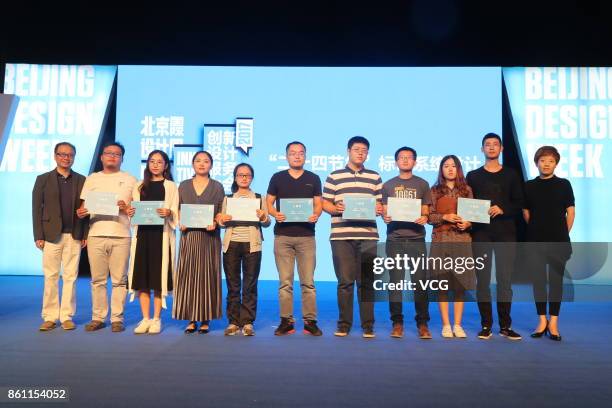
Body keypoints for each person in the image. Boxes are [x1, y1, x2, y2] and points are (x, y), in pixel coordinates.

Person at [323, 136, 383, 338]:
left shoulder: (375, 177)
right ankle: (344, 325)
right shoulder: (334, 176)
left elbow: (380, 206)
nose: (360, 153)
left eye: (364, 150)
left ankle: (368, 326)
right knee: (345, 282)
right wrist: (336, 208)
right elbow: (325, 204)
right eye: (356, 149)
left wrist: (378, 209)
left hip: (368, 235)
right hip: (342, 236)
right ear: (348, 151)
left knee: (366, 282)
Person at [466, 133, 524, 340]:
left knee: (505, 280)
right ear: (482, 149)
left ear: (501, 149)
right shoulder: (472, 176)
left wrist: (503, 208)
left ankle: (506, 326)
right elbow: (467, 204)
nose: (491, 148)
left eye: (495, 145)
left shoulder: (511, 175)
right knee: (482, 281)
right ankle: (486, 325)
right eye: (487, 145)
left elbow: (519, 204)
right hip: (481, 233)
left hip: (506, 233)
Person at [77, 142, 137, 332]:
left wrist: (125, 208)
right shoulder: (92, 179)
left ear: (122, 158)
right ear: (102, 157)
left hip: (121, 234)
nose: (112, 156)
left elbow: (136, 210)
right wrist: (81, 212)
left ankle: (117, 318)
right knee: (98, 280)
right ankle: (98, 317)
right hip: (96, 233)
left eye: (117, 154)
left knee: (120, 280)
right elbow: (84, 207)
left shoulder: (130, 179)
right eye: (108, 153)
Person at [266, 141, 323, 336]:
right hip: (283, 237)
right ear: (287, 156)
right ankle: (286, 321)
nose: (297, 156)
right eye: (293, 153)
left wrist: (316, 215)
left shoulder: (313, 178)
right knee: (285, 282)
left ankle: (310, 321)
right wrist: (275, 213)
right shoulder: (278, 177)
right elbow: (269, 203)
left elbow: (318, 205)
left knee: (308, 282)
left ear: (305, 156)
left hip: (307, 236)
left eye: (301, 153)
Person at [32, 142, 88, 331]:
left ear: (74, 157)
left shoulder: (82, 180)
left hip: (74, 234)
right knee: (51, 276)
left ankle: (66, 316)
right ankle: (50, 316)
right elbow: (36, 209)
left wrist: (85, 233)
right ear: (55, 156)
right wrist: (38, 234)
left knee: (71, 277)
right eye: (62, 154)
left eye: (70, 155)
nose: (66, 158)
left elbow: (86, 208)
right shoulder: (43, 179)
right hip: (50, 235)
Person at [523, 146, 575, 341]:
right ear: (537, 162)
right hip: (535, 241)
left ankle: (554, 322)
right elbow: (526, 213)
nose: (546, 164)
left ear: (556, 164)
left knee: (555, 282)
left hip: (558, 241)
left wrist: (561, 233)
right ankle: (542, 320)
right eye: (543, 160)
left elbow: (570, 212)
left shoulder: (564, 184)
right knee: (537, 281)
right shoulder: (528, 186)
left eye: (551, 161)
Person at [382, 147, 432, 339]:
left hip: (416, 239)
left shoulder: (422, 184)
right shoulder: (388, 185)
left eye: (408, 158)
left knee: (420, 282)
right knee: (395, 282)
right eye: (401, 158)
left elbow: (426, 210)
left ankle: (422, 323)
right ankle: (397, 322)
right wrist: (386, 218)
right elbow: (386, 212)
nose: (405, 160)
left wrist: (424, 217)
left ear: (415, 162)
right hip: (394, 239)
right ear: (395, 162)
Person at [126, 150, 178, 335]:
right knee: (142, 278)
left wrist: (169, 213)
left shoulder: (171, 186)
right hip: (143, 236)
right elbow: (134, 211)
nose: (155, 165)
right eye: (152, 161)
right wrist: (131, 213)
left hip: (161, 237)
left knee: (158, 278)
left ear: (166, 165)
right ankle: (145, 318)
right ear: (148, 164)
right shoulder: (139, 186)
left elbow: (175, 211)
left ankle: (156, 319)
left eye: (159, 162)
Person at [173, 151, 225, 334]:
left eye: (206, 161)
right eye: (198, 161)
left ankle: (205, 319)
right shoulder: (184, 185)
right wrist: (181, 221)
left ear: (211, 165)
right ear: (192, 164)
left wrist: (216, 222)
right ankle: (191, 318)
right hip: (189, 237)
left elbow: (220, 211)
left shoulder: (217, 186)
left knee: (208, 276)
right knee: (189, 275)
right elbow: (178, 208)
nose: (202, 164)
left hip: (209, 238)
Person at [217, 163, 271, 336]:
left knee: (250, 285)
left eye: (247, 175)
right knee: (233, 285)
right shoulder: (228, 198)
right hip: (231, 244)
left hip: (252, 245)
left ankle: (247, 322)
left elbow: (268, 222)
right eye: (240, 175)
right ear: (235, 178)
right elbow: (220, 221)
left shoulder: (258, 197)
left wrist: (263, 217)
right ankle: (233, 322)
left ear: (252, 177)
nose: (244, 178)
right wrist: (221, 218)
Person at [428, 155, 476, 338]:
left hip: (462, 240)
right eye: (446, 166)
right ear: (441, 169)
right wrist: (444, 217)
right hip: (441, 240)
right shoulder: (434, 191)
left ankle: (458, 324)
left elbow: (473, 215)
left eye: (453, 166)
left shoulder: (466, 190)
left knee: (459, 285)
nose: (450, 169)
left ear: (459, 169)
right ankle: (446, 325)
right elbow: (429, 217)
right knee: (442, 284)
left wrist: (468, 223)